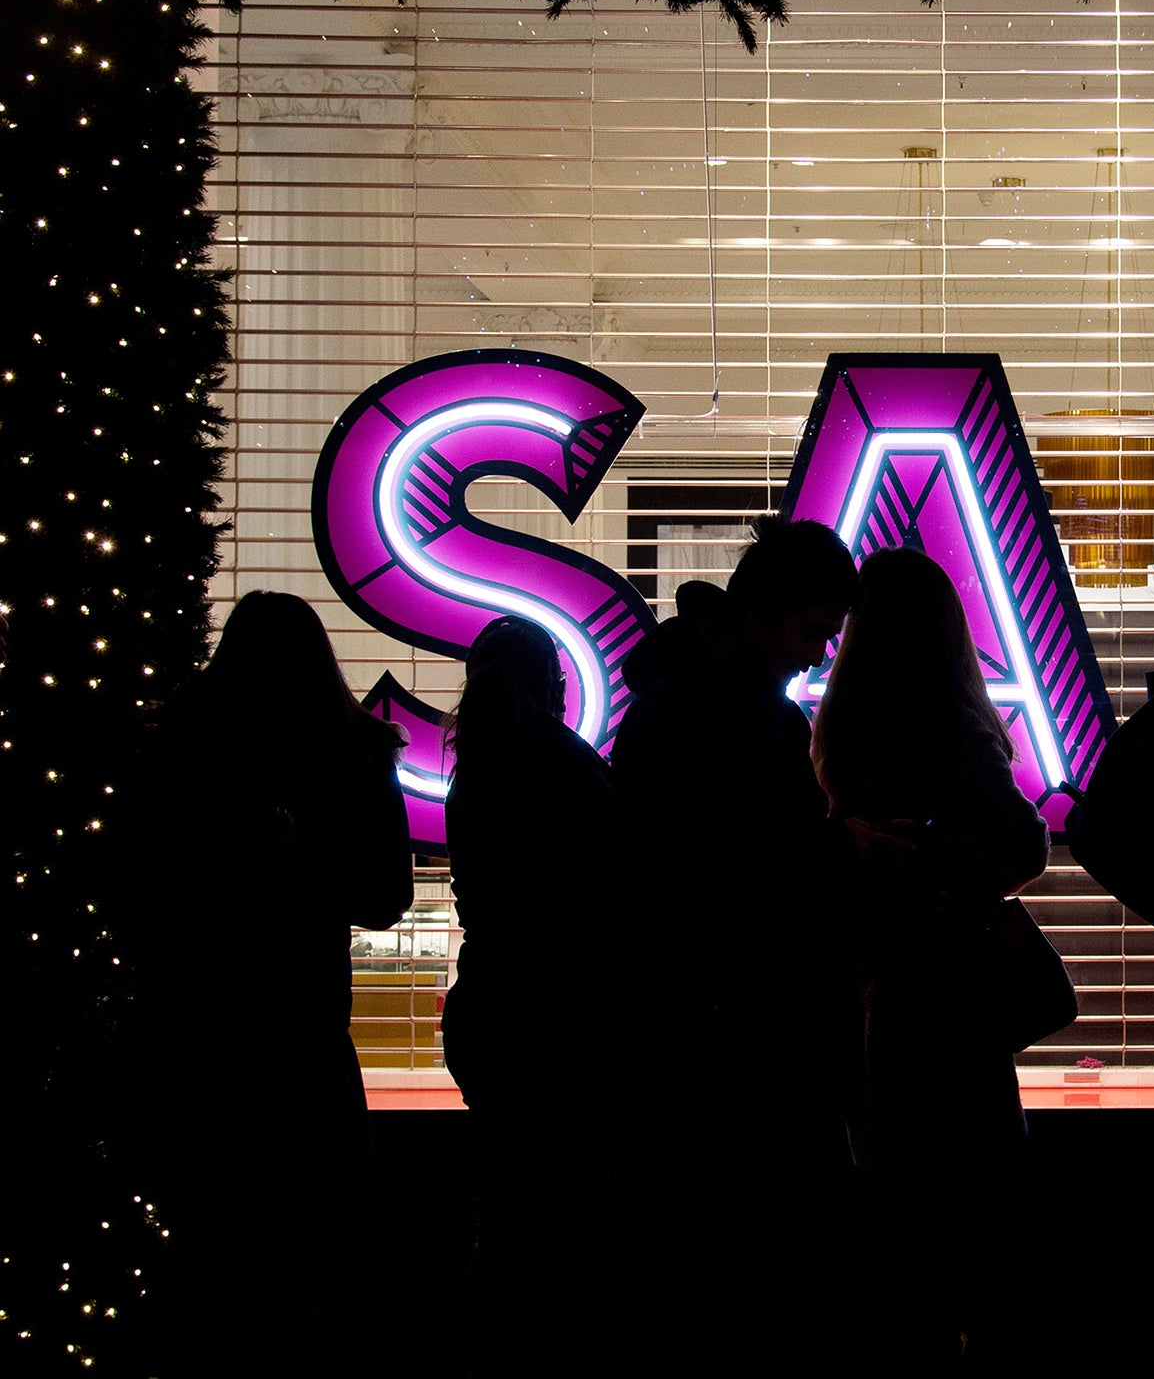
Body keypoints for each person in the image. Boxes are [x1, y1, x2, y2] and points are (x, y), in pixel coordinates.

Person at [133, 590, 411, 1378]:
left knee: (215, 1240)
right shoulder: (355, 752)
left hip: (202, 1026)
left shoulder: (181, 747)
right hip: (304, 1026)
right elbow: (385, 893)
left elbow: (143, 880)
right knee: (315, 1240)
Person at [611, 515, 862, 1368]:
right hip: (732, 1053)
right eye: (810, 631)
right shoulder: (731, 727)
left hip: (711, 1050)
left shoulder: (678, 713)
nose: (819, 654)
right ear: (757, 611)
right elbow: (730, 887)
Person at [811, 546, 1051, 1366]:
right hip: (957, 1000)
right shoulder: (954, 727)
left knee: (899, 1219)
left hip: (877, 994)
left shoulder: (839, 730)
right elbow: (1022, 844)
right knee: (983, 1226)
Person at [441, 614, 615, 1376]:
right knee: (562, 1218)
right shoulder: (567, 766)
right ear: (555, 681)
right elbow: (616, 887)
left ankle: (491, 1367)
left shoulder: (471, 768)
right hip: (559, 1017)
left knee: (508, 1210)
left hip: (488, 1003)